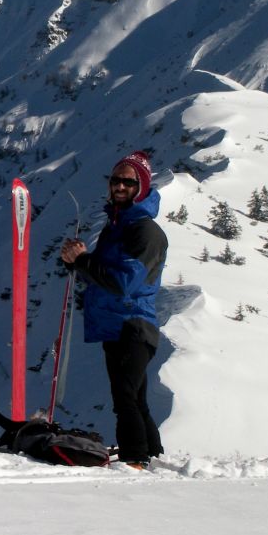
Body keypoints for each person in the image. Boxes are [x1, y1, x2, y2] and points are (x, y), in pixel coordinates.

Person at [60, 151, 168, 469]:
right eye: (115, 179)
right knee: (135, 397)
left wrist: (81, 260)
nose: (120, 186)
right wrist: (77, 261)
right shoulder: (118, 227)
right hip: (117, 324)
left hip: (131, 324)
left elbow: (122, 282)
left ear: (142, 186)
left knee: (125, 397)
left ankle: (135, 458)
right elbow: (102, 273)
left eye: (128, 181)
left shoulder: (144, 231)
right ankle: (153, 455)